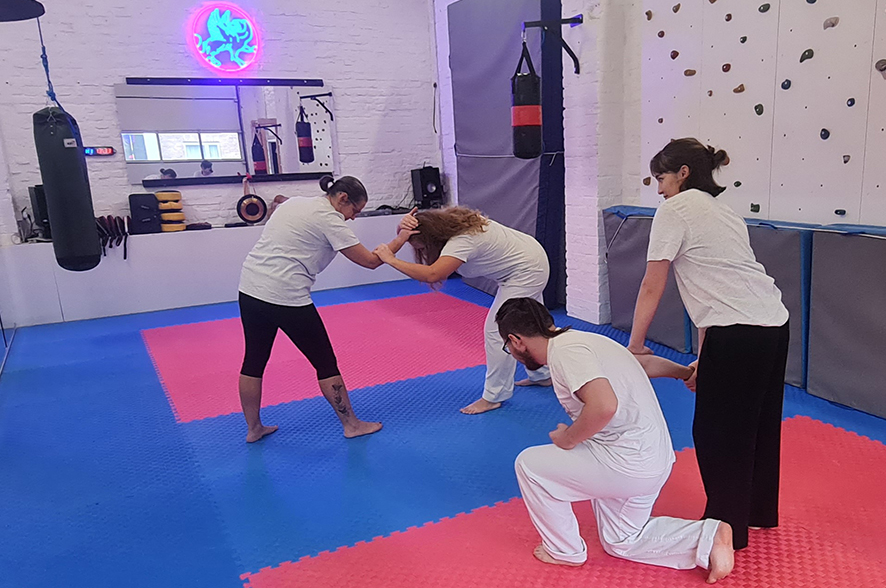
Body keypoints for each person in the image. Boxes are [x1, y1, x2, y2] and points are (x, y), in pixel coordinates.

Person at [627, 138, 790, 551]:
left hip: (737, 332)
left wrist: (635, 345)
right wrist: (703, 357)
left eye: (662, 178)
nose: (659, 189)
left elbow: (653, 283)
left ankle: (724, 529)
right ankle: (756, 513)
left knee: (716, 431)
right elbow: (712, 293)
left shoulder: (675, 210)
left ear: (682, 173)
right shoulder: (724, 211)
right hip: (773, 324)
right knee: (757, 424)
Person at [497, 298, 734, 583]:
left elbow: (604, 406)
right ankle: (707, 536)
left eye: (508, 346)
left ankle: (563, 550)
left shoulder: (565, 353)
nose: (512, 352)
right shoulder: (588, 340)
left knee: (529, 465)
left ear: (516, 340)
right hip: (653, 458)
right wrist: (685, 373)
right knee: (621, 540)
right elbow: (642, 364)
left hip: (629, 465)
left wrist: (568, 439)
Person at [237, 175, 417, 443]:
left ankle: (254, 429)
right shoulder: (330, 219)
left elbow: (279, 203)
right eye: (355, 210)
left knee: (254, 360)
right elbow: (370, 262)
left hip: (250, 288)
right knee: (325, 363)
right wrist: (401, 238)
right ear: (342, 198)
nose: (353, 217)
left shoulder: (296, 202)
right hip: (286, 294)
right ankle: (352, 425)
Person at [373, 206, 554, 415]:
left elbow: (433, 274)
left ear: (433, 240)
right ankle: (542, 374)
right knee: (532, 327)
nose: (422, 252)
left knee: (498, 331)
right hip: (529, 259)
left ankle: (494, 396)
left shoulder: (462, 241)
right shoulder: (451, 225)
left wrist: (391, 259)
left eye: (423, 247)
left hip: (527, 270)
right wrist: (402, 228)